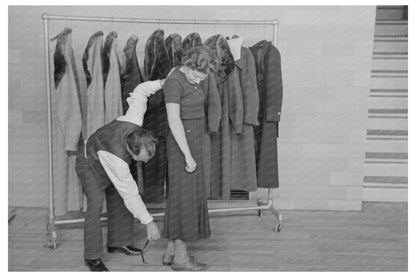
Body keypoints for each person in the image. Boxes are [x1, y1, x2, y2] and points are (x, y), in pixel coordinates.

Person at [75, 79, 165, 271]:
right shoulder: (118, 161)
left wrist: (162, 82)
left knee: (118, 197)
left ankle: (118, 242)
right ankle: (92, 257)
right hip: (88, 163)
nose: (146, 162)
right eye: (142, 159)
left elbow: (140, 91)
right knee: (96, 203)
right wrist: (149, 222)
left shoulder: (134, 121)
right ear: (131, 151)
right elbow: (130, 194)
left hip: (107, 157)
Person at [162, 46, 217, 271]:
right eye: (195, 74)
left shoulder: (189, 77)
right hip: (182, 144)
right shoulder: (174, 81)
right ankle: (181, 258)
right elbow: (174, 120)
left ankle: (171, 252)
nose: (197, 80)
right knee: (183, 199)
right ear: (189, 63)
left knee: (182, 196)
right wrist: (187, 155)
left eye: (202, 77)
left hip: (194, 140)